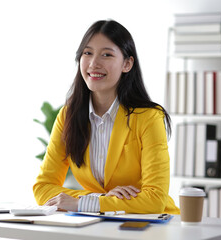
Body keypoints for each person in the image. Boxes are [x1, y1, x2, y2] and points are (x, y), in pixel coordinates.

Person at [33, 19, 180, 214]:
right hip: (96, 225)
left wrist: (81, 203)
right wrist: (98, 199)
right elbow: (43, 188)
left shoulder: (148, 117)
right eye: (88, 53)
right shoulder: (68, 116)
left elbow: (154, 200)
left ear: (127, 64)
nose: (94, 63)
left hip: (150, 225)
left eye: (107, 55)